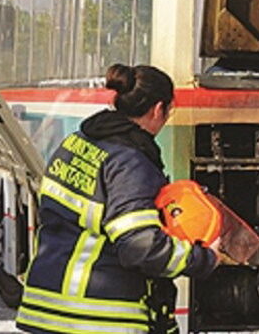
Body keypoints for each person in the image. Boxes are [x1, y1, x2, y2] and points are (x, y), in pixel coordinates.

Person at [16, 64, 219, 334]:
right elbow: (140, 247)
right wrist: (203, 258)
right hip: (98, 318)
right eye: (170, 111)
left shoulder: (75, 142)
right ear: (158, 109)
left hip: (45, 308)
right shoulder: (131, 163)